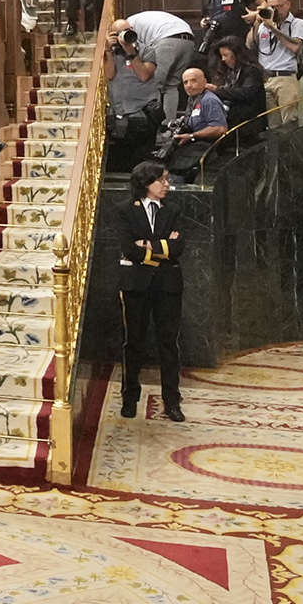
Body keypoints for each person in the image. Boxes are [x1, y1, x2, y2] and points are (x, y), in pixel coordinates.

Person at [117, 159, 186, 422]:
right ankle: (130, 397)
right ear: (146, 183)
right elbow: (129, 248)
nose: (167, 185)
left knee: (169, 343)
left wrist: (147, 246)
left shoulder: (174, 210)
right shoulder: (124, 210)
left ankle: (172, 401)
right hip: (135, 284)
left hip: (168, 284)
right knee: (133, 343)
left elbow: (179, 247)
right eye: (162, 180)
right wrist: (162, 248)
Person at [251, 0, 303, 118]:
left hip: (285, 78)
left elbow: (295, 46)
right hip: (265, 78)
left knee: (289, 120)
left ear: (287, 5)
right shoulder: (263, 24)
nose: (274, 10)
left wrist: (273, 29)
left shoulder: (297, 24)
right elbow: (250, 45)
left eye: (278, 6)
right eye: (271, 7)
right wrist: (256, 23)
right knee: (272, 124)